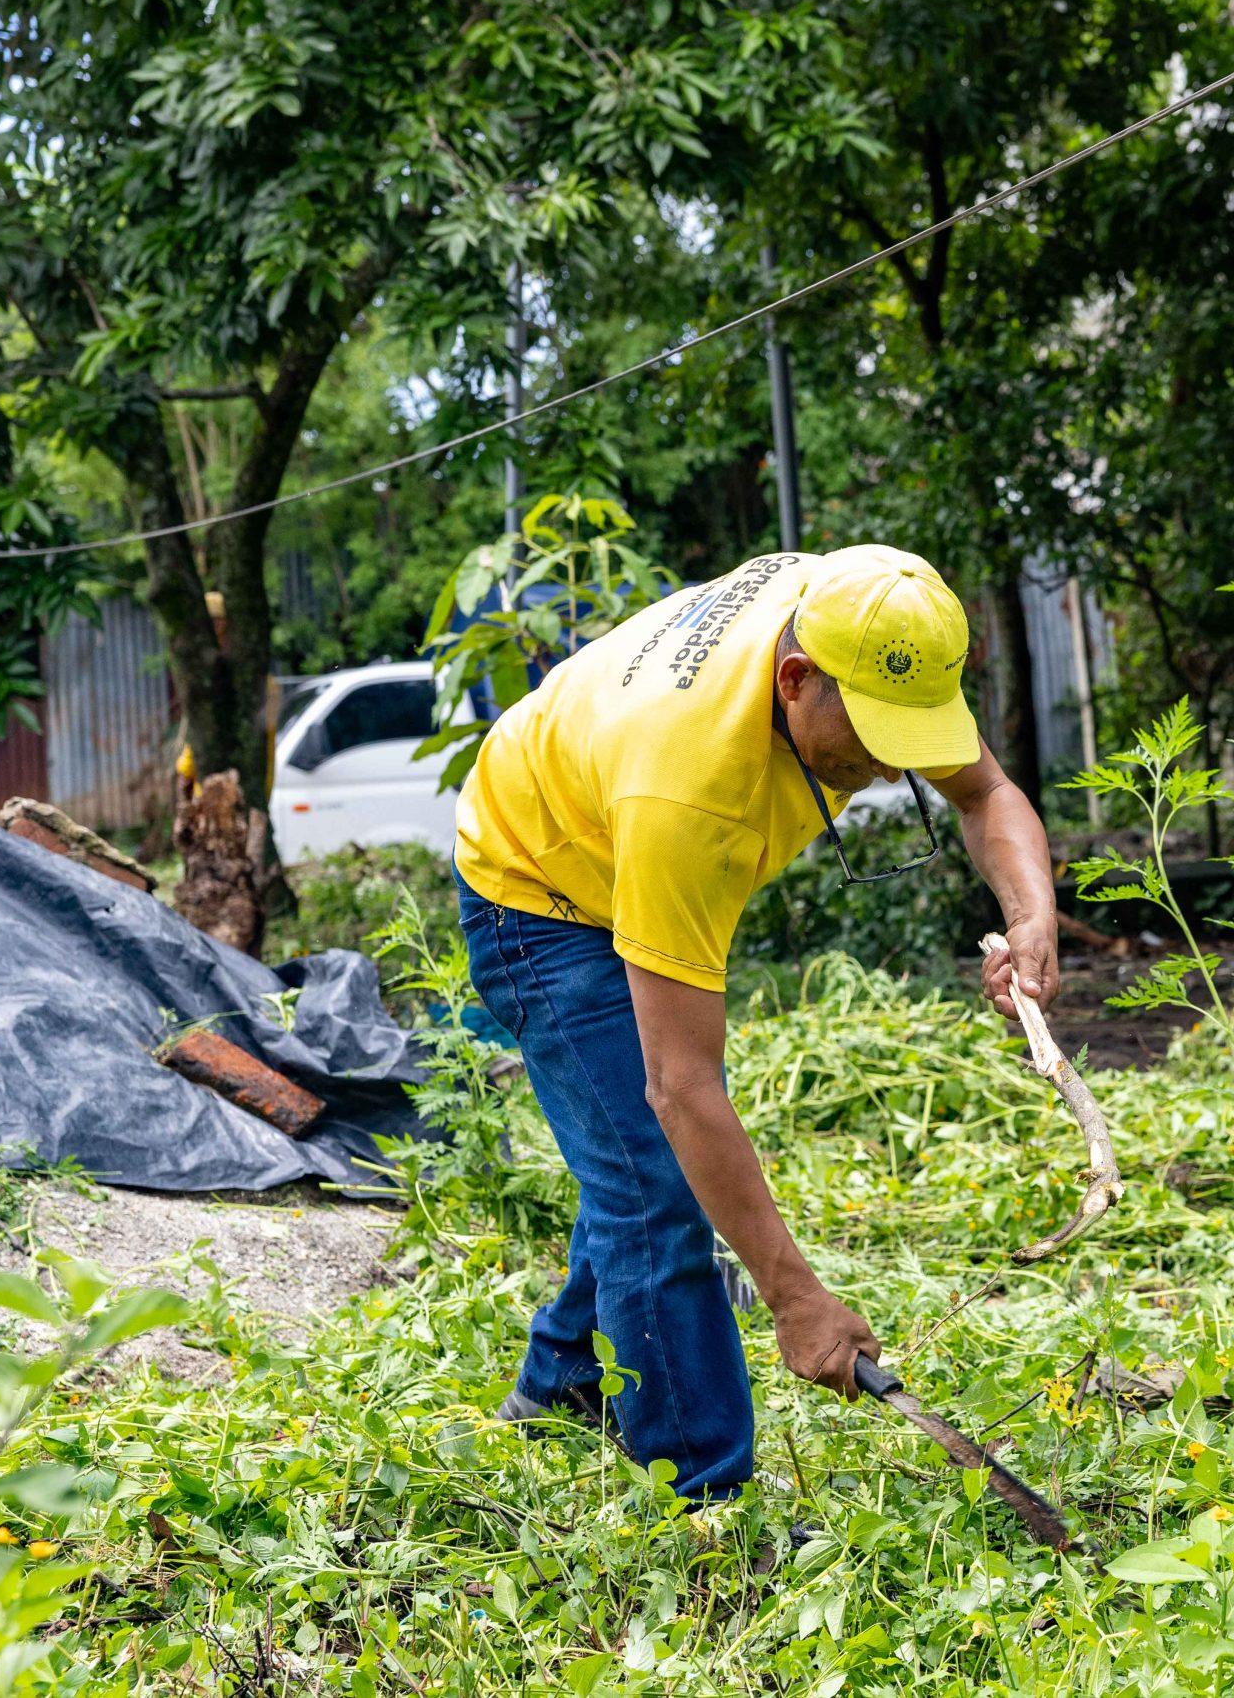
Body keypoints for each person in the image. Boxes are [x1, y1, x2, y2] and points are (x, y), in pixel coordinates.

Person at [453, 544, 1059, 1498]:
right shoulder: (686, 783)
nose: (889, 766)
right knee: (653, 1180)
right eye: (867, 743)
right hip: (538, 886)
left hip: (606, 803)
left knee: (634, 1159)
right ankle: (707, 1504)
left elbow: (984, 792)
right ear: (794, 680)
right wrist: (794, 1296)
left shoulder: (878, 609)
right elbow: (681, 1088)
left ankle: (562, 1381)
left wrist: (1031, 912)